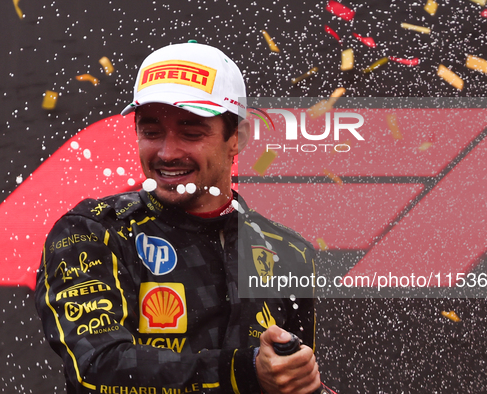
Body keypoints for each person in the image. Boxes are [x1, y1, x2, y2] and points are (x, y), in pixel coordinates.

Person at [35, 41, 327, 394]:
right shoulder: (93, 231)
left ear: (238, 138)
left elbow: (293, 383)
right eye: (151, 131)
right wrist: (244, 370)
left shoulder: (289, 253)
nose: (167, 152)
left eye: (191, 133)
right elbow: (96, 369)